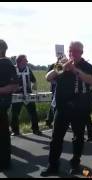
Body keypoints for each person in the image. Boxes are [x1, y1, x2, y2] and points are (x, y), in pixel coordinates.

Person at [41, 41, 92, 176]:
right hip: (62, 107)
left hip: (80, 108)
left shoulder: (87, 66)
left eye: (75, 51)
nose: (72, 53)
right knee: (56, 138)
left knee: (78, 138)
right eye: (70, 50)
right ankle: (53, 165)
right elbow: (48, 77)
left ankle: (75, 163)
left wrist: (75, 70)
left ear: (81, 53)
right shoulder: (60, 64)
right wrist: (60, 68)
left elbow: (91, 81)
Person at [10, 54, 42, 136]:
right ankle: (15, 131)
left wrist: (34, 84)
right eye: (25, 60)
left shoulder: (28, 69)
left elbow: (33, 80)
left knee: (33, 112)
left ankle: (35, 129)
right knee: (15, 113)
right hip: (17, 95)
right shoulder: (12, 69)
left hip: (28, 94)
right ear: (19, 61)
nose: (27, 62)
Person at [0, 39, 19, 170]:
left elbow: (14, 85)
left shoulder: (6, 64)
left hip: (1, 104)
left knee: (2, 135)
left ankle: (4, 163)